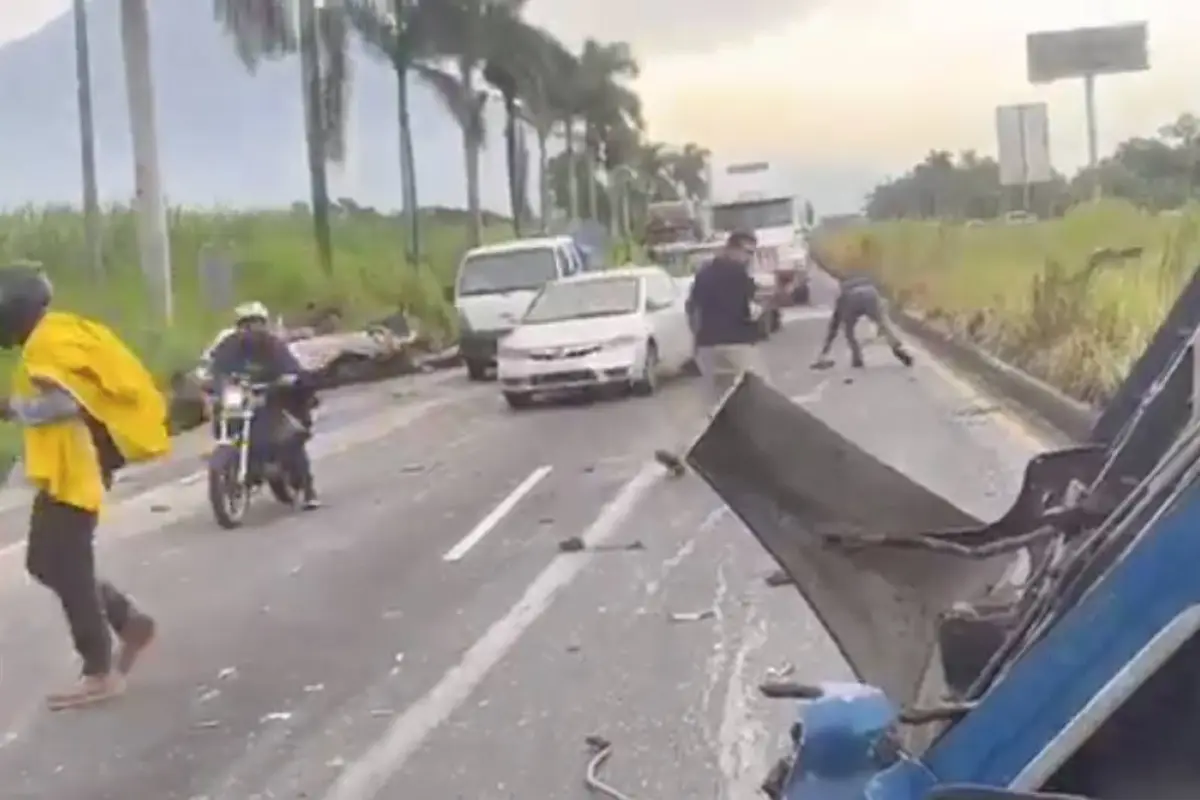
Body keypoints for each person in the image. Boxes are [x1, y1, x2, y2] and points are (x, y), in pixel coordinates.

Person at [0, 264, 167, 709]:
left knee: (67, 562)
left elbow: (64, 404)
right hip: (77, 462)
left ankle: (99, 670)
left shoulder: (46, 343)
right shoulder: (61, 330)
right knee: (45, 560)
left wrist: (11, 407)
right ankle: (129, 621)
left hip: (79, 465)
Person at [655, 230, 768, 477]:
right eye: (747, 252)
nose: (749, 258)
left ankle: (679, 452)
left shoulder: (705, 274)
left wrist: (697, 341)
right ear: (732, 248)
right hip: (738, 344)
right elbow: (755, 309)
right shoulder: (740, 275)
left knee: (710, 404)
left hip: (707, 346)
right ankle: (764, 454)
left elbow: (692, 309)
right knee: (761, 396)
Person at [208, 301, 320, 508]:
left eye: (255, 323)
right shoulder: (229, 346)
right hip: (243, 400)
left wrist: (287, 379)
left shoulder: (274, 346)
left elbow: (291, 369)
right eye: (245, 324)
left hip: (273, 399)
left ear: (263, 324)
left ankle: (308, 489)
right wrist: (215, 384)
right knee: (221, 414)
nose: (251, 329)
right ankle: (235, 467)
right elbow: (216, 369)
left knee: (290, 435)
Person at [813, 273, 913, 369]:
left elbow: (834, 327)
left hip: (852, 300)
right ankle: (896, 347)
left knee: (849, 332)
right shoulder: (861, 282)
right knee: (882, 324)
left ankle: (857, 357)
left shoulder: (841, 297)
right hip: (871, 295)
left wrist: (825, 350)